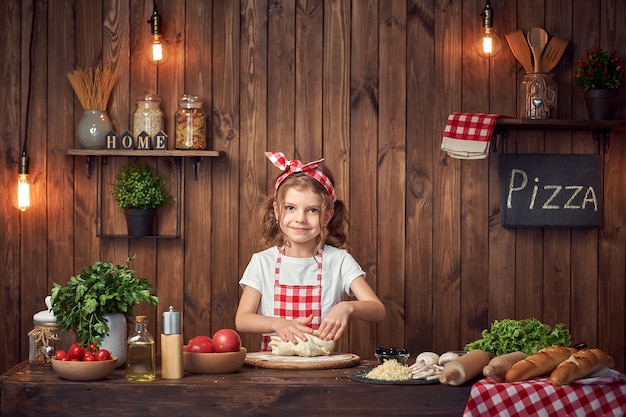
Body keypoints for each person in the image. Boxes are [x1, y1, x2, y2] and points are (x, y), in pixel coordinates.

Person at [235, 151, 386, 351]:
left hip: (323, 367)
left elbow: (377, 310)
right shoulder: (262, 262)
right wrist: (277, 324)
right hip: (272, 369)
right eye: (290, 208)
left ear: (327, 215)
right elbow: (242, 320)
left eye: (312, 210)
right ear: (277, 210)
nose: (300, 218)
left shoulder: (339, 261)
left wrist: (347, 307)